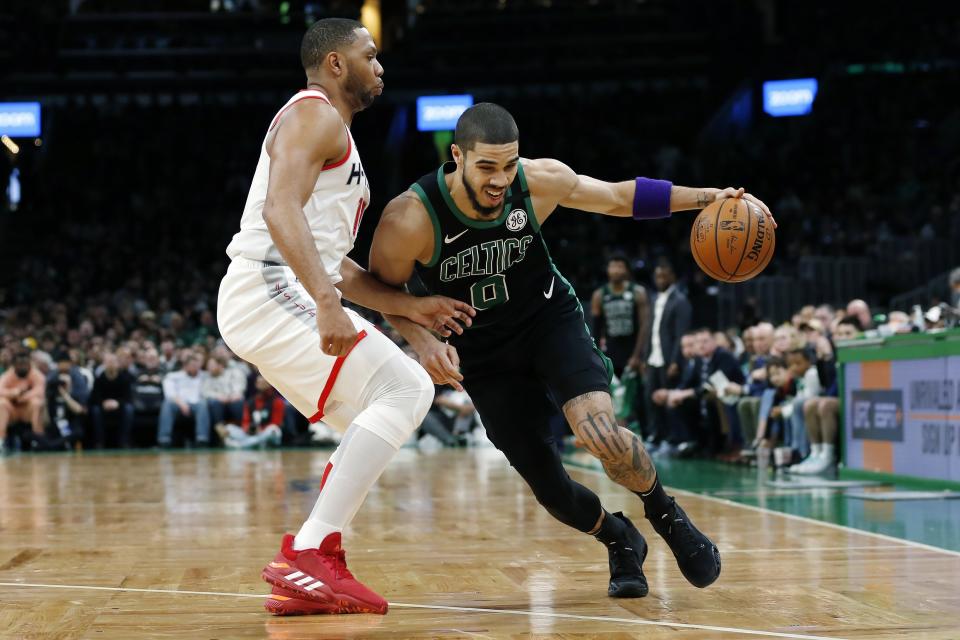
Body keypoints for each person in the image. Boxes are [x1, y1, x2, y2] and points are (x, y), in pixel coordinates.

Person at [369, 103, 775, 598]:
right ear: (456, 156)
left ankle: (664, 511)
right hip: (484, 358)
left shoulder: (537, 181)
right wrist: (422, 338)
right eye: (486, 167)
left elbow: (618, 197)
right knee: (553, 493)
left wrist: (709, 197)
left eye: (509, 164)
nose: (500, 179)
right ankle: (619, 538)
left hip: (547, 321)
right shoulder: (410, 218)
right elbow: (381, 294)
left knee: (599, 431)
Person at [215, 18, 475, 616]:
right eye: (370, 54)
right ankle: (311, 551)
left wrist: (411, 308)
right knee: (403, 386)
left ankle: (306, 571)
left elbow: (334, 264)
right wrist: (329, 305)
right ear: (335, 64)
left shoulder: (336, 134)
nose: (380, 65)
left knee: (383, 406)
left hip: (280, 288)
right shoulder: (315, 113)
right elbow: (282, 210)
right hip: (267, 284)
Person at [643, 260, 692, 447]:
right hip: (654, 358)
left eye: (664, 276)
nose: (660, 279)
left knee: (668, 401)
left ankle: (672, 438)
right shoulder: (655, 299)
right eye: (657, 276)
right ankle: (656, 436)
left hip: (668, 359)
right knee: (650, 398)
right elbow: (650, 331)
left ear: (673, 277)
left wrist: (675, 361)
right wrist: (645, 357)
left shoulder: (680, 300)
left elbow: (681, 334)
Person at [590, 255, 650, 377]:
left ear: (627, 270)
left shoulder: (638, 292)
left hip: (633, 351)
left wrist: (637, 355)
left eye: (620, 266)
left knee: (634, 394)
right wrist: (598, 357)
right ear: (607, 269)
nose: (616, 270)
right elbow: (596, 329)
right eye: (612, 266)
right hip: (609, 353)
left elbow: (645, 325)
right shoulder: (599, 295)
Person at [0, 351, 47, 453]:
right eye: (20, 364)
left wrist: (23, 397)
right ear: (14, 365)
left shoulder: (37, 375)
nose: (22, 367)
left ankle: (37, 439)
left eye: (25, 364)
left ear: (29, 363)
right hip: (13, 410)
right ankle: (1, 440)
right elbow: (0, 390)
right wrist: (14, 393)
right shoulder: (8, 375)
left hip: (27, 410)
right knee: (2, 403)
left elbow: (40, 392)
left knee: (36, 403)